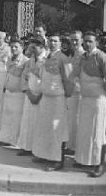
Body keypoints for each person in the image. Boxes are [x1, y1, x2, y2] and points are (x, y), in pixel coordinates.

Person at [72, 32, 106, 177]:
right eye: (85, 41)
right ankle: (83, 160)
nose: (87, 44)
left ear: (96, 42)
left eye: (90, 41)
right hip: (85, 99)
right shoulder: (82, 57)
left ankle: (99, 164)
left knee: (98, 132)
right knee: (84, 131)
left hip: (98, 99)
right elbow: (76, 74)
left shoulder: (102, 57)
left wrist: (104, 94)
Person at [32, 34, 74, 171]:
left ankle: (57, 160)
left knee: (56, 129)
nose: (52, 43)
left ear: (61, 43)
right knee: (44, 127)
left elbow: (68, 79)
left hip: (57, 99)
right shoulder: (47, 57)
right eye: (50, 40)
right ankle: (44, 155)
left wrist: (67, 95)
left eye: (55, 41)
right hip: (46, 98)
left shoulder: (64, 58)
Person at [0, 39, 28, 147]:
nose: (13, 49)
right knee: (6, 117)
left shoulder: (25, 61)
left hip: (18, 94)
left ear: (22, 48)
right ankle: (4, 138)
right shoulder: (9, 59)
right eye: (12, 47)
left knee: (16, 118)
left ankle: (15, 141)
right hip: (8, 92)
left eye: (16, 47)